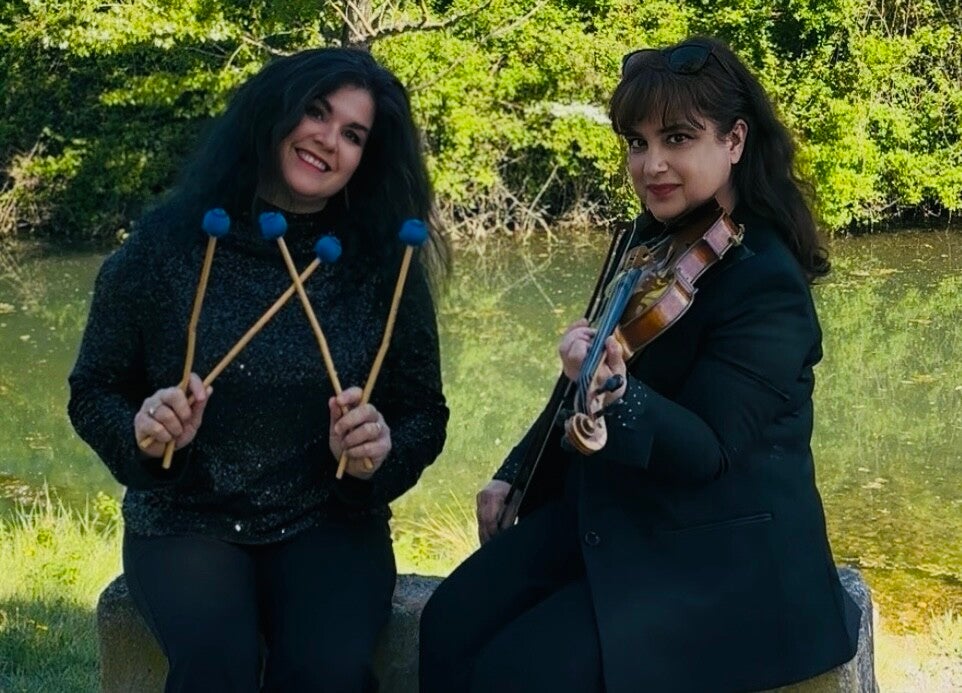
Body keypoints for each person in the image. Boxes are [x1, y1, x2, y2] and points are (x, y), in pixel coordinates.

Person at [419, 36, 860, 693]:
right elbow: (584, 370)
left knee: (522, 671)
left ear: (735, 139)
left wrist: (615, 391)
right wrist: (516, 471)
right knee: (448, 621)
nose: (651, 164)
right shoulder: (648, 236)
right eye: (636, 142)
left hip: (713, 556)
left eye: (677, 138)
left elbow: (709, 450)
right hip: (617, 510)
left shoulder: (766, 281)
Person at [68, 47, 449, 693]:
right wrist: (142, 432)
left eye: (353, 134)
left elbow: (422, 413)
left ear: (366, 158)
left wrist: (376, 454)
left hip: (329, 519)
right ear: (275, 111)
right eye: (316, 112)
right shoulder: (168, 242)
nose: (328, 140)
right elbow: (94, 389)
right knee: (216, 669)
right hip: (187, 517)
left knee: (328, 673)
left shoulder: (385, 263)